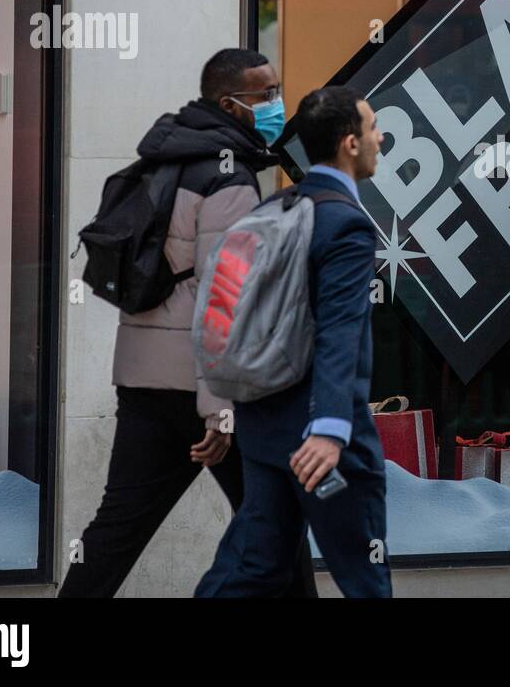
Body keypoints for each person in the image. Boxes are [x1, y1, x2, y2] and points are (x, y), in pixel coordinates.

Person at [61, 48, 311, 597]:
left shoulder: (166, 157)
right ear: (231, 104)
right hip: (206, 388)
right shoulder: (231, 180)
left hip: (144, 380)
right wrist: (219, 410)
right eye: (265, 94)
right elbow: (226, 297)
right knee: (278, 522)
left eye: (276, 89)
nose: (276, 103)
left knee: (117, 529)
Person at [196, 85, 390, 598]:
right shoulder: (346, 224)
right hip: (322, 444)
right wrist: (329, 429)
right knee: (364, 574)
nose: (380, 138)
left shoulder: (279, 207)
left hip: (264, 429)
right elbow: (338, 332)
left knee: (252, 566)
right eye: (373, 128)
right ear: (350, 143)